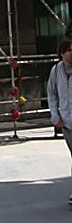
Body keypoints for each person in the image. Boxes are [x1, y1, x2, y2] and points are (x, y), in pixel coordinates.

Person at [48, 40, 72, 205]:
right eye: (69, 50)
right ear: (62, 52)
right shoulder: (56, 71)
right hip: (66, 122)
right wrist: (55, 116)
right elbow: (52, 94)